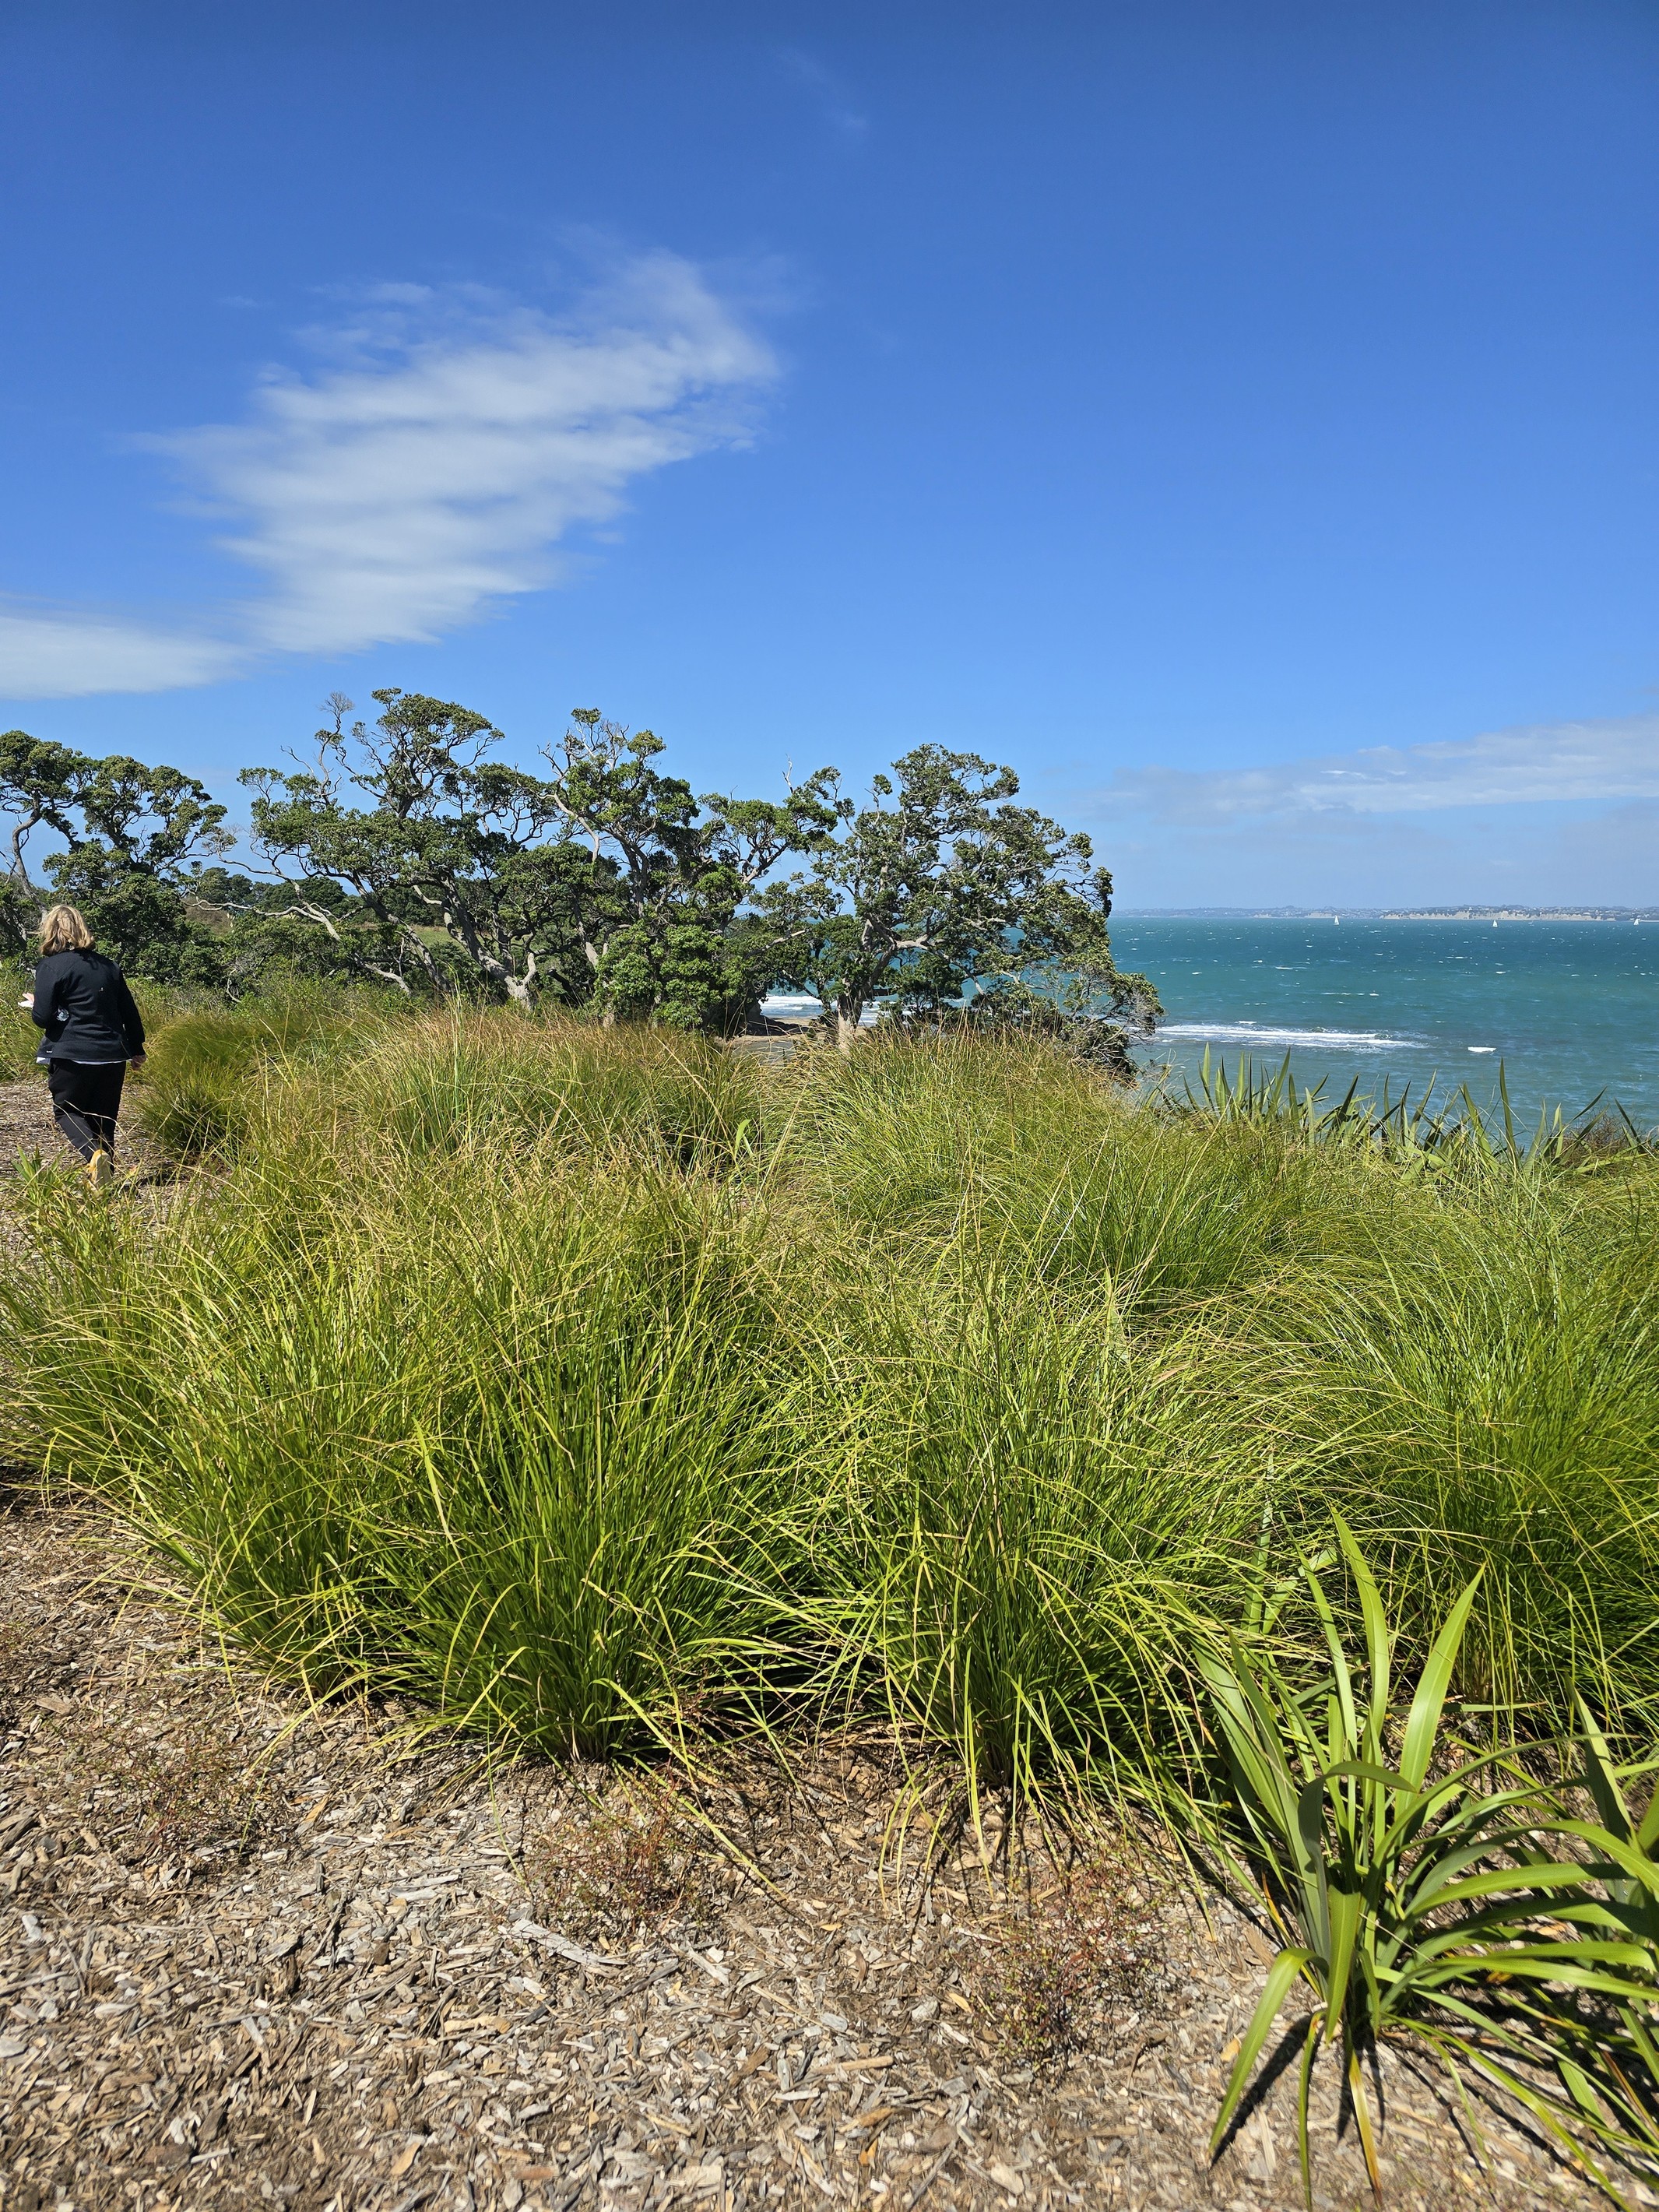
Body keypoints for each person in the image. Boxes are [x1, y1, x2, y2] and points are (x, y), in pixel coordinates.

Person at [19, 905, 146, 1186]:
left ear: (51, 931)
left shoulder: (51, 966)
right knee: (104, 1118)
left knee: (66, 1110)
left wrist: (36, 1005)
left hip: (71, 1051)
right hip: (112, 1054)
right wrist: (137, 1049)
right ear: (82, 928)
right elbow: (129, 1011)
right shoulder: (108, 966)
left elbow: (42, 1018)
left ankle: (93, 1155)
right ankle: (105, 1180)